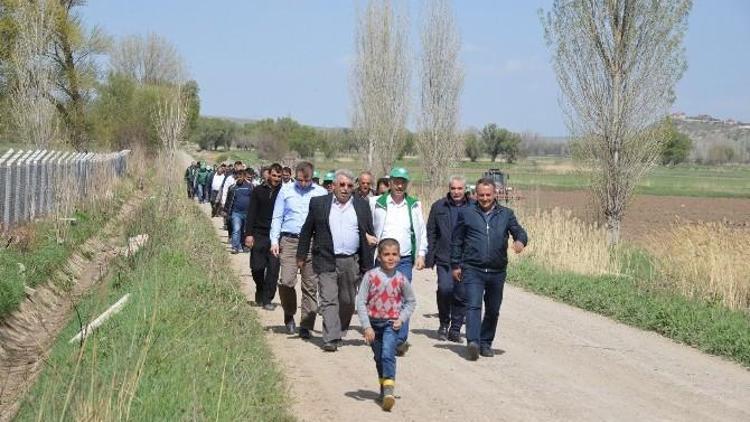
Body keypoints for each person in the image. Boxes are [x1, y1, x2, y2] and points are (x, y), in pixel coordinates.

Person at [297, 169, 375, 352]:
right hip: (326, 258)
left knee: (347, 300)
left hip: (351, 260)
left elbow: (368, 236)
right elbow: (307, 230)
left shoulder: (362, 206)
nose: (345, 189)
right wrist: (301, 255)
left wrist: (368, 265)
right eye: (342, 185)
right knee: (329, 299)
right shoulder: (319, 203)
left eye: (349, 186)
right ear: (334, 186)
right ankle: (330, 338)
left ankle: (339, 329)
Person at [451, 177, 528, 361]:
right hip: (473, 268)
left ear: (495, 194)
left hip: (497, 270)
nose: (485, 198)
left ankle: (486, 343)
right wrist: (455, 265)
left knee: (493, 309)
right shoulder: (467, 213)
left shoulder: (506, 214)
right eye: (481, 195)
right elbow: (457, 241)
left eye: (488, 195)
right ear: (476, 195)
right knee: (473, 305)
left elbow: (519, 232)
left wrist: (520, 241)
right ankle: (473, 343)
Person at [369, 167, 427, 356]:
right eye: (396, 181)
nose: (399, 185)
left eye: (403, 182)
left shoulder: (414, 205)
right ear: (390, 182)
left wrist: (421, 253)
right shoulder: (376, 202)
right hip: (381, 258)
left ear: (407, 184)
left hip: (404, 259)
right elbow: (365, 226)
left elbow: (421, 230)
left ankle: (400, 339)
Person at [356, 238, 416, 412]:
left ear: (399, 256)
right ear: (379, 257)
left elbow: (411, 302)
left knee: (388, 354)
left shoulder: (401, 279)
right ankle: (383, 388)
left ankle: (389, 390)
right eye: (386, 254)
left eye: (394, 254)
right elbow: (361, 302)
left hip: (391, 324)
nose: (391, 258)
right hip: (373, 325)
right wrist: (366, 327)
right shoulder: (370, 276)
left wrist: (402, 318)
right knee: (379, 357)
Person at [270, 161, 328, 338]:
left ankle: (306, 325)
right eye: (300, 180)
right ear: (295, 176)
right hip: (289, 241)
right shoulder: (286, 191)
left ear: (313, 176)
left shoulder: (321, 193)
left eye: (307, 180)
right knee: (286, 281)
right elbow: (277, 216)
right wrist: (274, 240)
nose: (303, 184)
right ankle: (289, 313)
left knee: (310, 286)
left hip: (312, 243)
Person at [426, 175, 470, 342]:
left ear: (464, 189)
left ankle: (455, 329)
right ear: (449, 189)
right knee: (444, 290)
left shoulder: (473, 207)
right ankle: (444, 323)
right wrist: (430, 255)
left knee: (461, 294)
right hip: (444, 257)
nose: (456, 192)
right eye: (453, 188)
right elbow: (431, 232)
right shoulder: (438, 206)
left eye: (459, 188)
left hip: (465, 259)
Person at [245, 163, 283, 310]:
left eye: (279, 176)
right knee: (257, 268)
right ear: (268, 175)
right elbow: (251, 213)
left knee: (273, 269)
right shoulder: (258, 191)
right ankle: (260, 288)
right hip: (259, 234)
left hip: (277, 236)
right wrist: (248, 234)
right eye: (274, 175)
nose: (276, 179)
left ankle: (267, 299)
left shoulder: (284, 192)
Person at [224, 169, 253, 254]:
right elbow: (228, 201)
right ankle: (235, 247)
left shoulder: (250, 186)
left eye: (241, 176)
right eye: (238, 176)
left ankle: (244, 246)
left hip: (247, 213)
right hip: (236, 213)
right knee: (236, 230)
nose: (239, 178)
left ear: (244, 176)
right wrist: (226, 211)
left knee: (245, 231)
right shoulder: (233, 187)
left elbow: (254, 199)